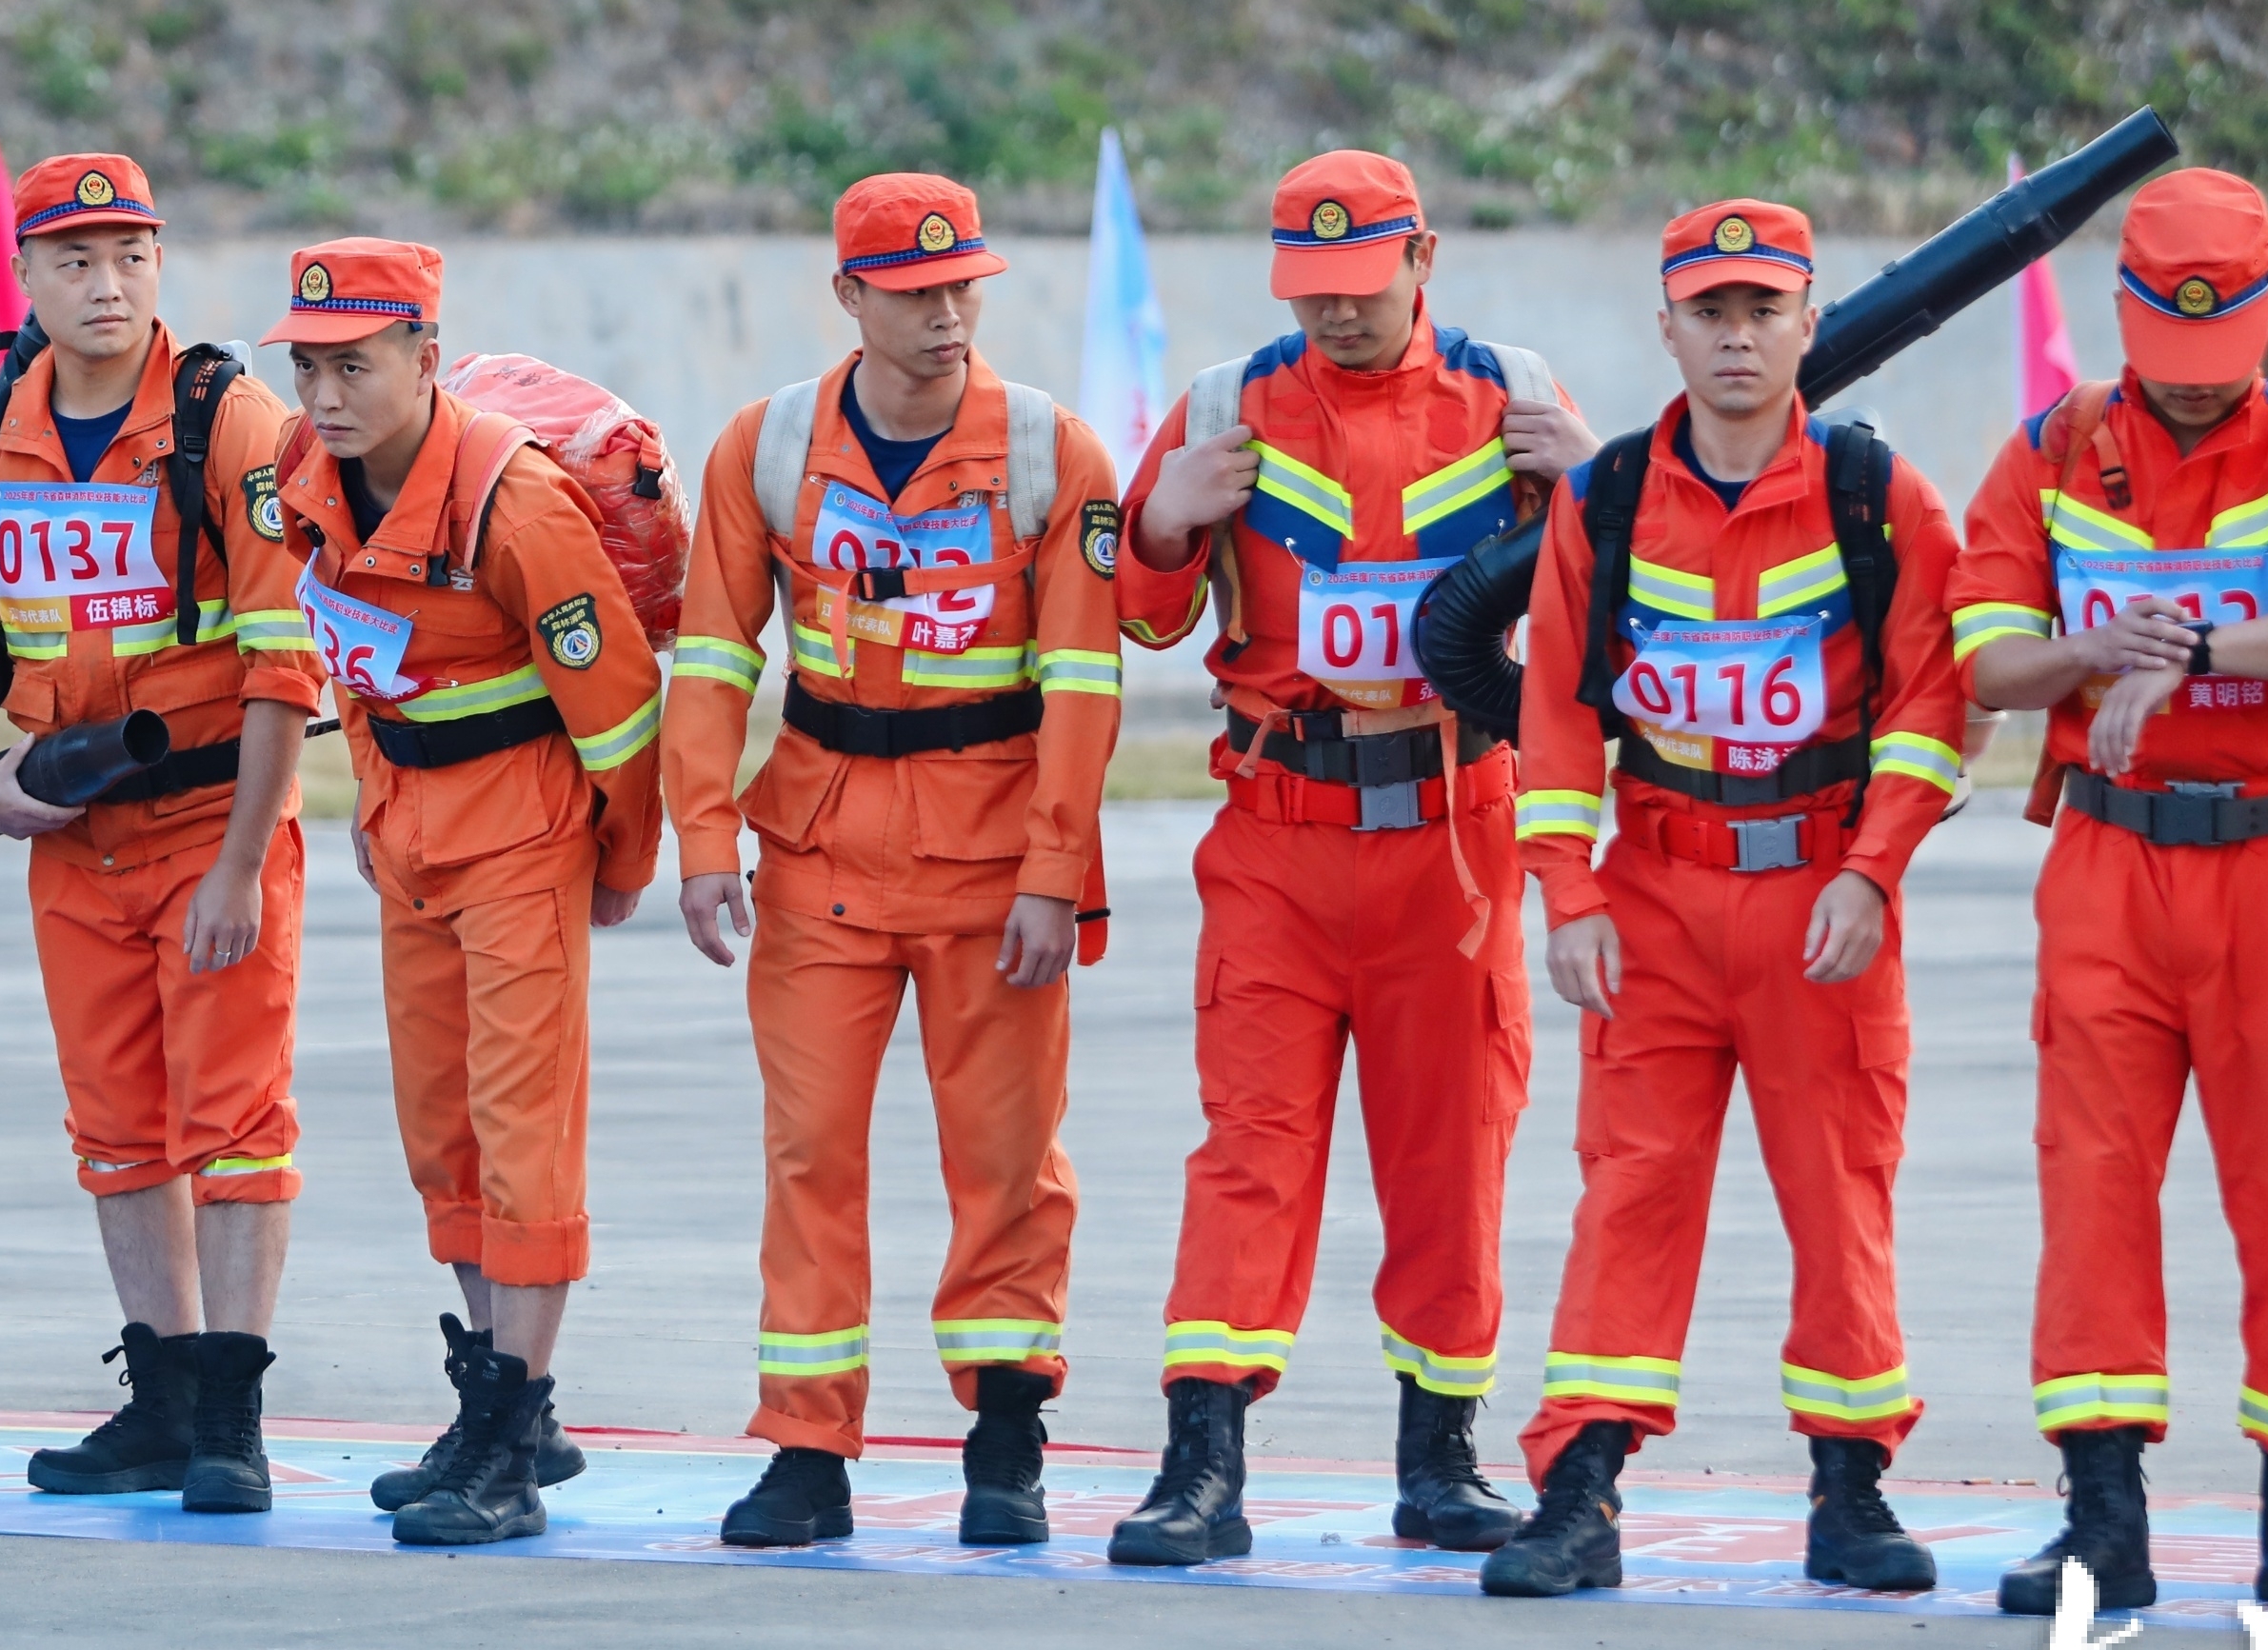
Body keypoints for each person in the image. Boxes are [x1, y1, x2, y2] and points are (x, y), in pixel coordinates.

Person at [1101, 149, 1592, 1568]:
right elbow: (1142, 615)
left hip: (1455, 837)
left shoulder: (1516, 399)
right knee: (1249, 1151)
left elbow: (1613, 614)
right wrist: (1165, 519)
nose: (1337, 312)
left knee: (1455, 1156)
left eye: (1364, 285)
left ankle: (1441, 1460)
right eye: (1311, 289)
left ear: (1423, 259)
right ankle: (1202, 1462)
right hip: (1278, 837)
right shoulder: (1225, 406)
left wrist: (1589, 491)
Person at [1952, 167, 2268, 1618]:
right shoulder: (2050, 451)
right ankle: (2103, 1521)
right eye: (2170, 349)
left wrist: (2191, 656)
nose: (2198, 382)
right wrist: (2095, 655)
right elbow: (1985, 658)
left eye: (2222, 351)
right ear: (2122, 316)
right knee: (2094, 1181)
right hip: (2110, 863)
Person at [1484, 198, 1965, 1600]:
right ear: (1668, 329)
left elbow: (1931, 708)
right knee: (1629, 1192)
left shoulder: (1883, 497)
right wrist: (1568, 892)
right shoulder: (1606, 499)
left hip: (1823, 901)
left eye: (1763, 310)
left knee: (1840, 1190)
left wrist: (1874, 872)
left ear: (1810, 323)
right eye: (1711, 312)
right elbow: (1557, 716)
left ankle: (1851, 1490)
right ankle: (1579, 1489)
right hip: (1655, 900)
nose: (1737, 337)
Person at [665, 171, 1124, 1550]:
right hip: (821, 850)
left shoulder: (1051, 454)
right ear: (849, 296)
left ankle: (1006, 1433)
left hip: (994, 861)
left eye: (963, 285)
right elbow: (711, 656)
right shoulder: (767, 447)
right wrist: (703, 835)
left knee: (1006, 1157)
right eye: (916, 291)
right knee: (810, 1151)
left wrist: (1055, 871)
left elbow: (1084, 683)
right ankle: (808, 1452)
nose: (947, 312)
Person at [0, 152, 322, 1511]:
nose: (107, 284)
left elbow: (284, 665)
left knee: (237, 1125)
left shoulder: (231, 423)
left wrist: (244, 864)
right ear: (25, 275)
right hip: (72, 844)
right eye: (75, 260)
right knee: (117, 1129)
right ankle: (162, 1400)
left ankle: (232, 1419)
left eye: (131, 255)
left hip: (210, 826)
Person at [269, 236, 665, 1545]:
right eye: (309, 367)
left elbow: (619, 707)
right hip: (411, 834)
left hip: (522, 834)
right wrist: (373, 795)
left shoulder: (516, 505)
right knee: (441, 1130)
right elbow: (352, 651)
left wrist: (621, 864)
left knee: (521, 1130)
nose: (326, 395)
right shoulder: (309, 476)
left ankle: (512, 1431)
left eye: (356, 366)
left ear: (425, 359)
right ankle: (501, 1403)